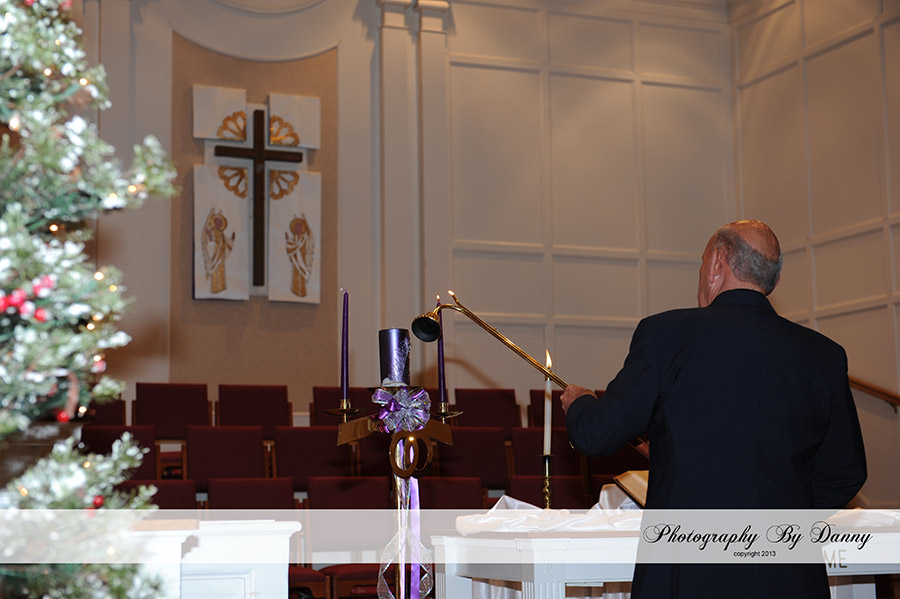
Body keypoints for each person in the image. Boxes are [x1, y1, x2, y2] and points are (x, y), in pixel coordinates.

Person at [561, 220, 867, 599]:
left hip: (688, 571)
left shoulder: (667, 335)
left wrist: (580, 402)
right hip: (788, 574)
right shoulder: (824, 355)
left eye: (702, 262)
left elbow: (597, 435)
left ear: (718, 262)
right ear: (771, 279)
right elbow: (845, 473)